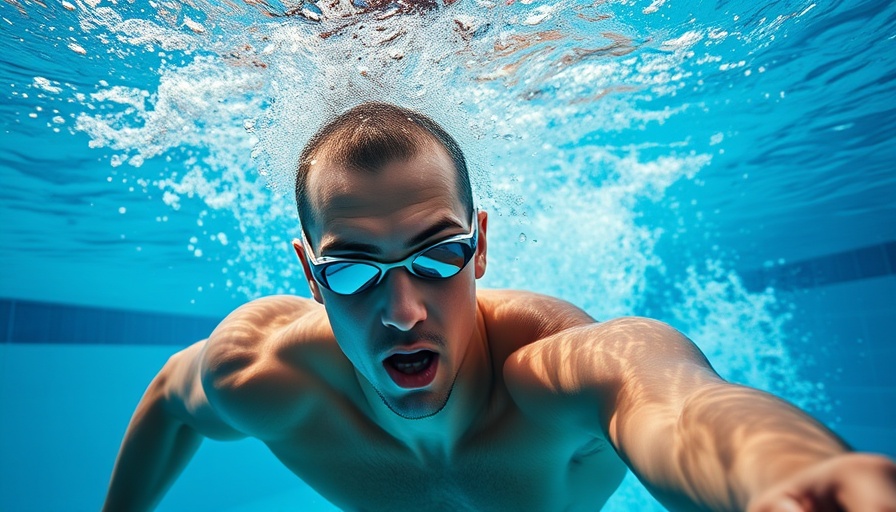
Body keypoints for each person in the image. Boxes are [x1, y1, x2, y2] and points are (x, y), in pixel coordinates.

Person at [103, 102, 896, 512]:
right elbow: (171, 403)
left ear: (479, 246)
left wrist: (796, 474)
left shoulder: (557, 374)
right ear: (310, 274)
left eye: (438, 255)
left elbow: (680, 405)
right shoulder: (264, 371)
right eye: (353, 270)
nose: (404, 311)